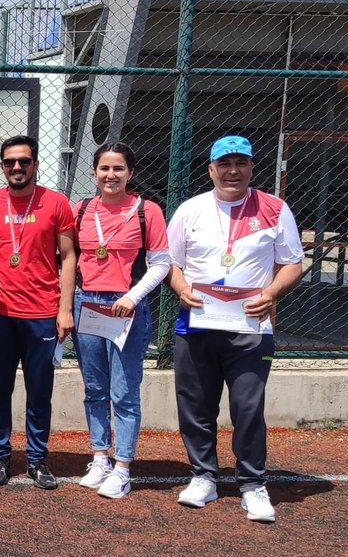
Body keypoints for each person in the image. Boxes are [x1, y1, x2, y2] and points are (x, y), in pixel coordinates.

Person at [167, 135, 302, 523]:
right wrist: (181, 288)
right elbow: (171, 263)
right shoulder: (190, 210)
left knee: (247, 406)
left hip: (251, 327)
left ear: (251, 168)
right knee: (195, 405)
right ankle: (203, 476)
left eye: (240, 163)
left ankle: (252, 485)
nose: (233, 171)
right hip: (196, 325)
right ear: (210, 169)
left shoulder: (275, 209)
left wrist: (272, 292)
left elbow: (293, 263)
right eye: (224, 164)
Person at [0, 135, 76, 490]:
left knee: (39, 390)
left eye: (24, 161)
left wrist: (65, 309)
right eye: (10, 162)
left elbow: (68, 256)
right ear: (2, 165)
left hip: (42, 312)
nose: (17, 167)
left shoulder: (56, 202)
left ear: (34, 164)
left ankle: (37, 458)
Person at [71, 143, 170, 499]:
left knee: (124, 392)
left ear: (131, 172)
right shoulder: (81, 209)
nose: (110, 175)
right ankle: (100, 457)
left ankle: (124, 466)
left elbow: (161, 263)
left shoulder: (148, 211)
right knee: (94, 389)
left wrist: (132, 297)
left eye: (118, 169)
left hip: (126, 306)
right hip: (87, 304)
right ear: (94, 172)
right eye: (104, 169)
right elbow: (69, 258)